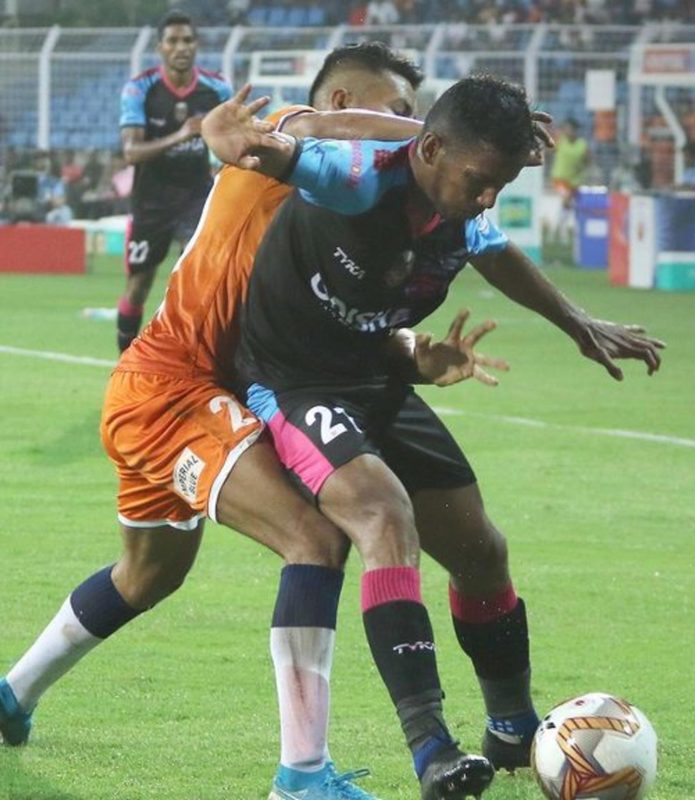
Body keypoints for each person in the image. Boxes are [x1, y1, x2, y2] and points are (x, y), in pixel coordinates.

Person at [0, 44, 522, 800]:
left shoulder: (350, 209)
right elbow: (299, 126)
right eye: (398, 112)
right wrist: (438, 132)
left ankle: (12, 695)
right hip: (171, 390)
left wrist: (414, 353)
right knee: (313, 539)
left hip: (211, 393)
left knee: (147, 574)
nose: (406, 132)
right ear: (344, 104)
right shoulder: (278, 139)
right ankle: (300, 779)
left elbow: (344, 331)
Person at [231, 75, 664, 800]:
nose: (489, 197)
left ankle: (511, 726)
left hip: (377, 379)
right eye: (480, 180)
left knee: (481, 551)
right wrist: (235, 139)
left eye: (502, 184)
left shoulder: (461, 207)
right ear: (430, 150)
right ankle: (431, 747)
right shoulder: (357, 179)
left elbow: (494, 252)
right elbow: (288, 146)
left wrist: (579, 324)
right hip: (294, 384)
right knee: (383, 513)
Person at [116, 10, 232, 353]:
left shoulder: (217, 88)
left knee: (196, 282)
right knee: (138, 285)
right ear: (160, 48)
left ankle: (190, 363)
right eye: (173, 41)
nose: (181, 47)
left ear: (196, 45)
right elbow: (131, 152)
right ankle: (124, 365)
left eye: (188, 40)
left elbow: (229, 139)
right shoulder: (140, 88)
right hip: (150, 201)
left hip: (196, 199)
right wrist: (181, 135)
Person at [549, 117, 589, 243]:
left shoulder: (582, 145)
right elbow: (549, 150)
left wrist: (582, 168)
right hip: (560, 178)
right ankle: (561, 233)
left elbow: (588, 160)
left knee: (567, 206)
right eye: (566, 129)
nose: (568, 131)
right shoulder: (561, 140)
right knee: (566, 200)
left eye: (571, 129)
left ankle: (557, 229)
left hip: (574, 181)